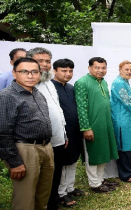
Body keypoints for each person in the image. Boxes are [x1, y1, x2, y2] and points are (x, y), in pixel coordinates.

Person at [0, 57, 54, 210]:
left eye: (34, 72)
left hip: (45, 147)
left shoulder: (37, 93)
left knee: (42, 194)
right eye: (24, 71)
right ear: (14, 73)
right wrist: (14, 162)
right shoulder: (7, 96)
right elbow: (3, 132)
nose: (30, 76)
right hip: (25, 149)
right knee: (25, 198)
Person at [27, 47, 69, 210]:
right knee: (37, 179)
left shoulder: (49, 83)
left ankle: (52, 204)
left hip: (57, 139)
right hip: (38, 143)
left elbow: (57, 110)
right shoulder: (28, 85)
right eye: (40, 61)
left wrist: (64, 134)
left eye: (47, 61)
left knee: (55, 174)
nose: (44, 65)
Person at [74, 57, 119, 193]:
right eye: (97, 67)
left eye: (103, 68)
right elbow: (81, 107)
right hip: (92, 126)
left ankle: (100, 180)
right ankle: (94, 184)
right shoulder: (82, 82)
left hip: (105, 124)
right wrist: (86, 128)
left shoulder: (103, 82)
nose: (100, 70)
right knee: (93, 155)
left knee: (103, 152)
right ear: (89, 68)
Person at [51, 59, 85, 207]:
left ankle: (70, 188)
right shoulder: (51, 88)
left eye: (70, 71)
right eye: (64, 70)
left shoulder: (71, 88)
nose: (68, 74)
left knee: (73, 160)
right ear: (55, 71)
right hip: (61, 133)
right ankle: (61, 193)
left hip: (75, 131)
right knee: (63, 163)